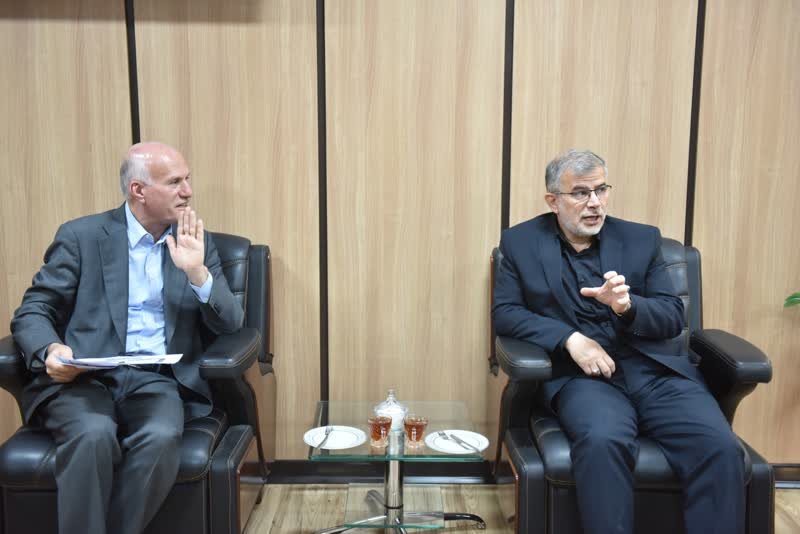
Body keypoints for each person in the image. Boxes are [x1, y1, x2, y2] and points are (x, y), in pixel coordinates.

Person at [492, 149, 744, 534]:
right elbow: (506, 313)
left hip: (656, 372)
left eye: (601, 189)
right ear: (553, 201)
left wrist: (627, 307)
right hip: (584, 379)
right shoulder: (521, 243)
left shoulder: (641, 239)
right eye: (580, 193)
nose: (594, 202)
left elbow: (672, 316)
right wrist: (570, 338)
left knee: (720, 448)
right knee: (602, 441)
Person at [11, 142, 244, 534]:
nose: (188, 191)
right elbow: (34, 309)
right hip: (83, 378)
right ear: (139, 190)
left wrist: (197, 273)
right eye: (175, 182)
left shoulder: (194, 242)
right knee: (92, 434)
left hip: (156, 380)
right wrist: (50, 349)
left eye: (187, 180)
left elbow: (232, 323)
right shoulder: (82, 236)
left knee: (161, 436)